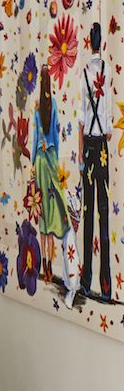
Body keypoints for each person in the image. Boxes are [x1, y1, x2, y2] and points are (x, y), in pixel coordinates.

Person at [33, 64, 78, 300]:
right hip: (50, 159)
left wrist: (33, 162)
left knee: (42, 215)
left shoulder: (37, 108)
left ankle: (45, 266)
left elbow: (33, 141)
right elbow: (57, 137)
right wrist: (54, 155)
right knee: (51, 214)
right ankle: (50, 265)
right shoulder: (54, 107)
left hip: (40, 163)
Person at [79, 21, 112, 302]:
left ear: (90, 42)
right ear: (101, 43)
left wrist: (81, 153)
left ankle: (86, 280)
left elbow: (80, 117)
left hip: (89, 145)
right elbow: (111, 123)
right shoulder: (107, 71)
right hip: (102, 144)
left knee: (88, 212)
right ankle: (107, 284)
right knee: (103, 213)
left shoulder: (85, 74)